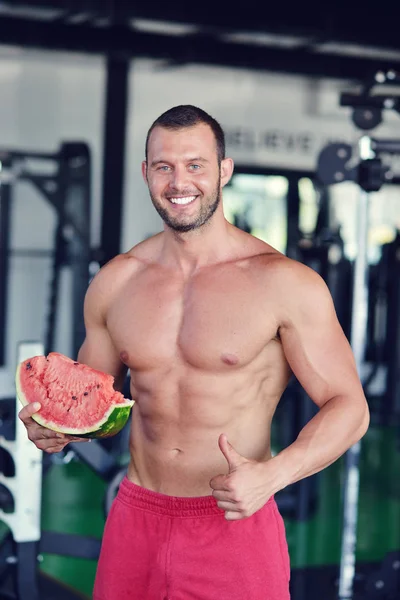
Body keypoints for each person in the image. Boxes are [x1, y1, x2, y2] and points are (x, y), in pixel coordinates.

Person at [19, 105, 370, 600]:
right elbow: (90, 399)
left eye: (196, 165)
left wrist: (274, 475)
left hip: (234, 517)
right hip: (134, 515)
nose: (179, 181)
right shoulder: (117, 283)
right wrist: (52, 428)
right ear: (146, 173)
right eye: (164, 166)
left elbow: (349, 406)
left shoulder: (283, 283)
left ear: (224, 170)